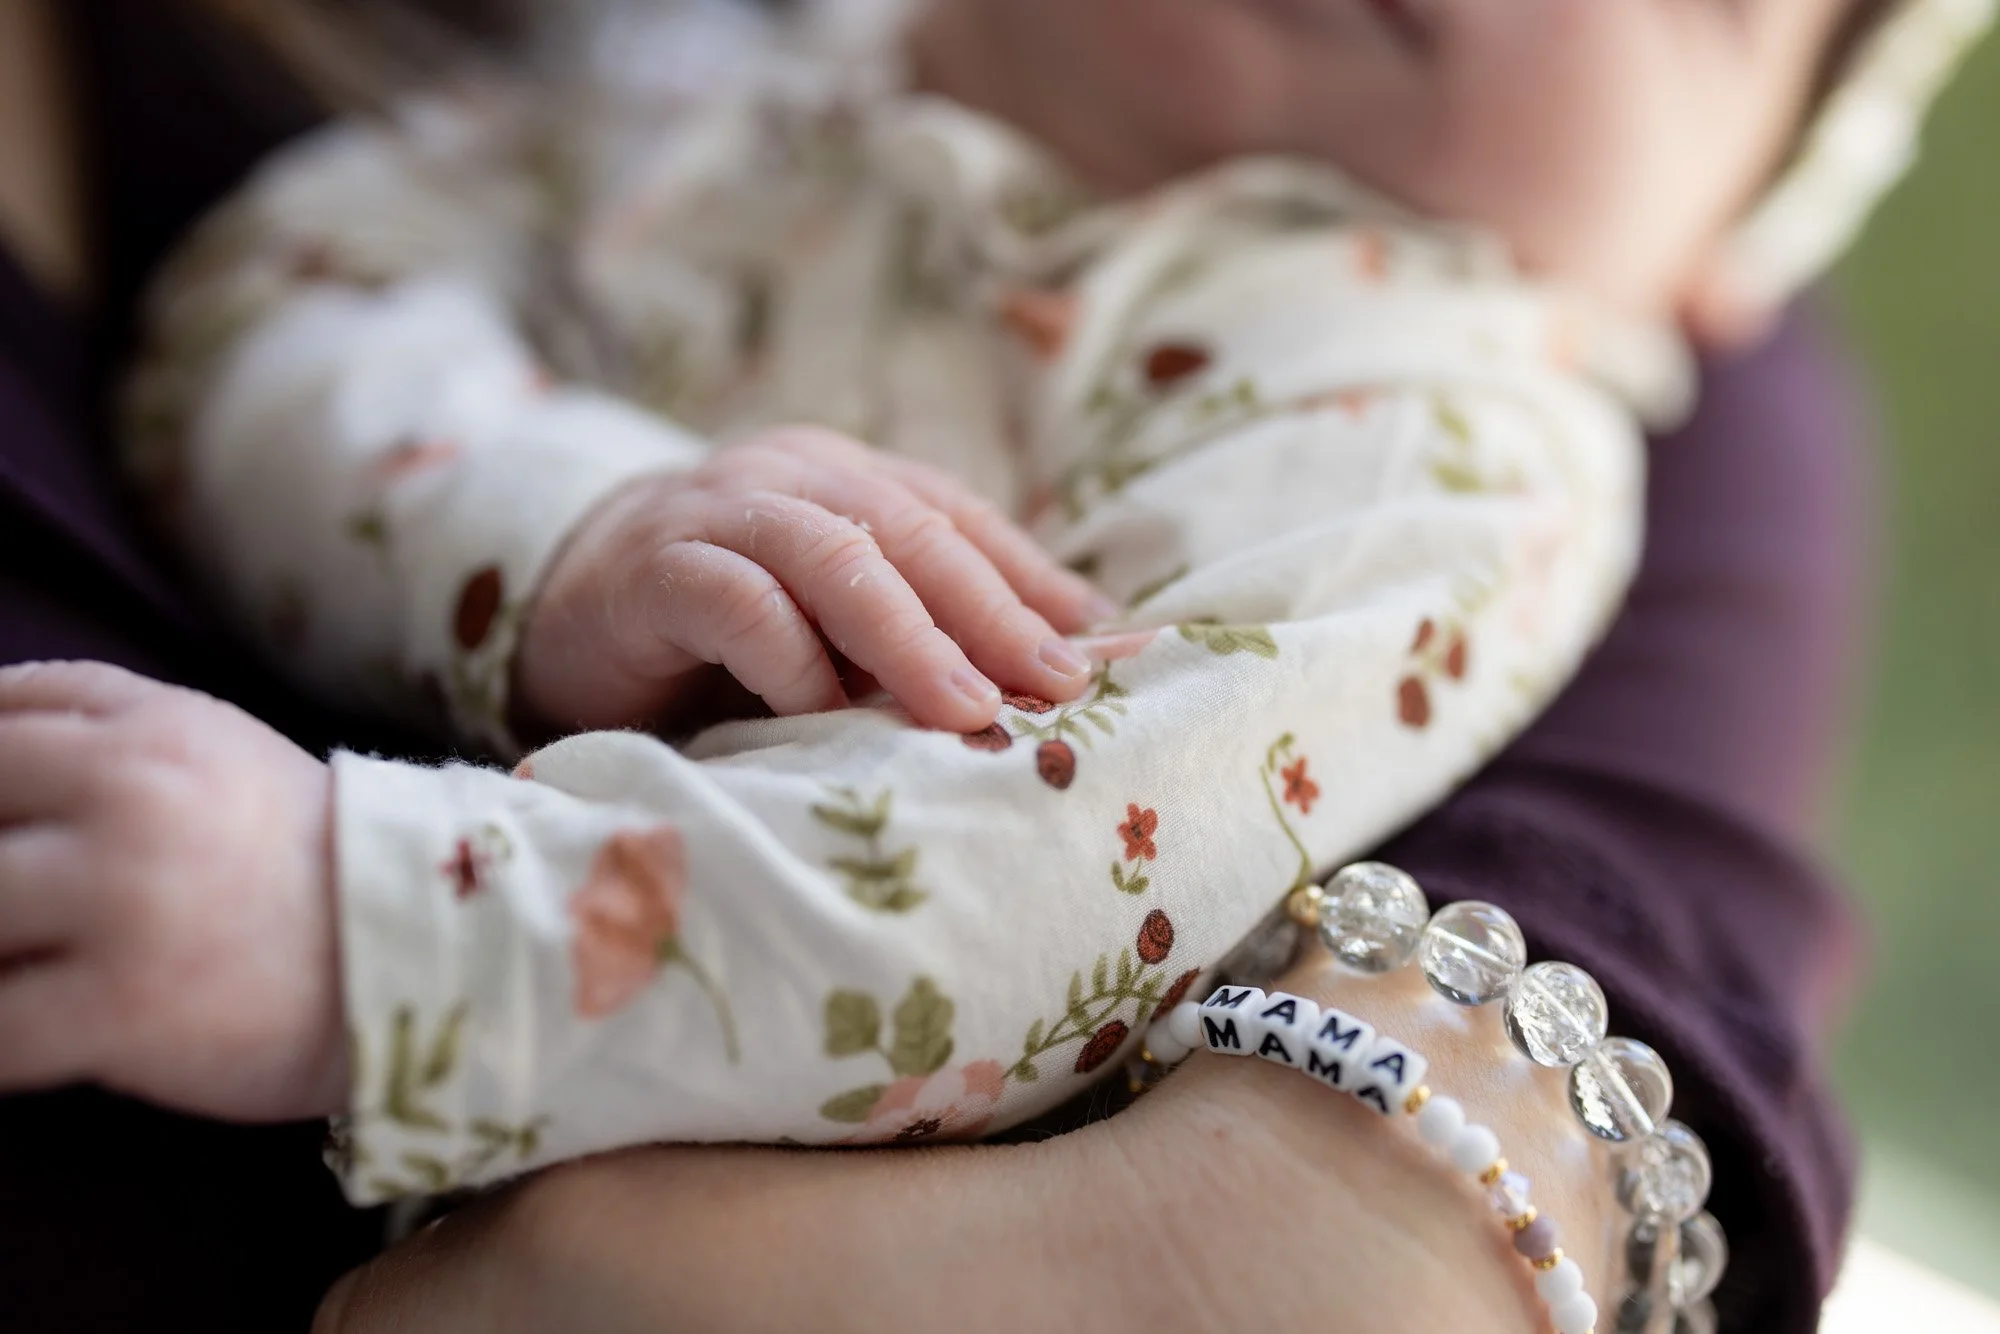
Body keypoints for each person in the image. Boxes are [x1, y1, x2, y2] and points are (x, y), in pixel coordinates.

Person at [0, 0, 1901, 1328]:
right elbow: (272, 307)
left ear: (1725, 260)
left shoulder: (1434, 432)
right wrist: (554, 532)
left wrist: (381, 934)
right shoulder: (711, 77)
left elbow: (1036, 865)